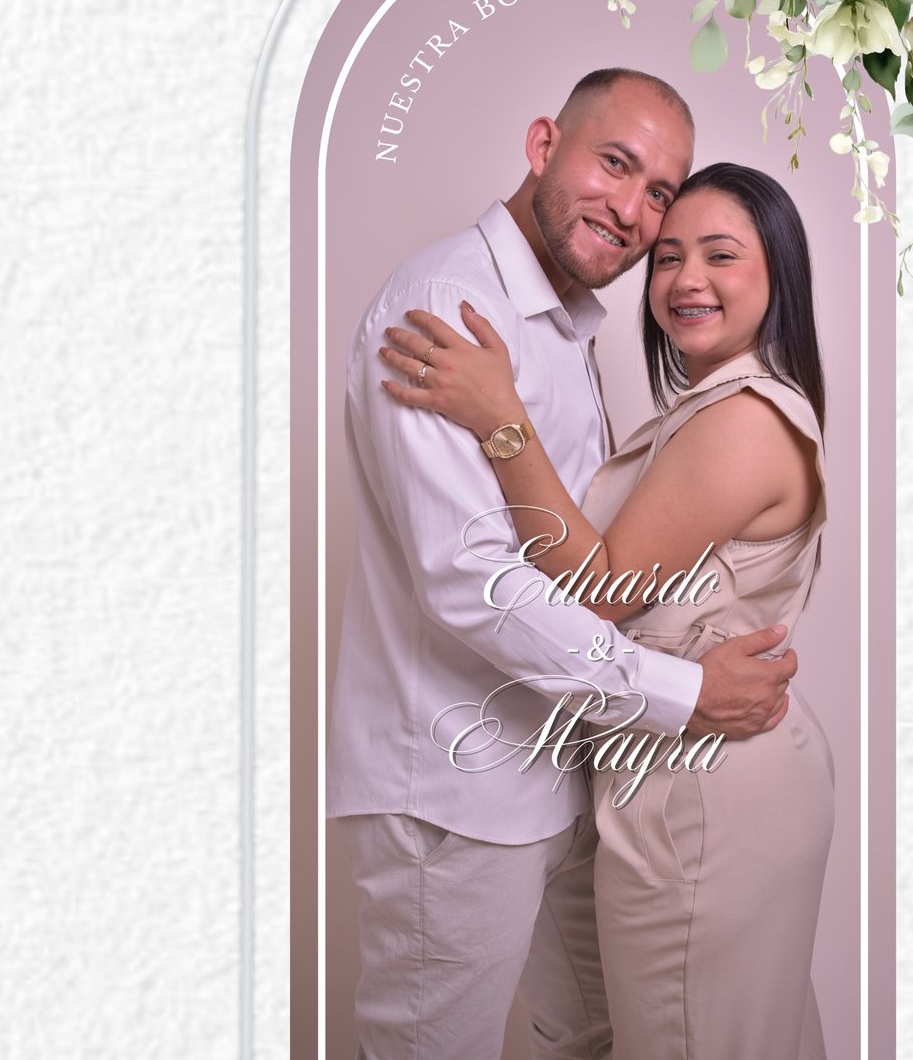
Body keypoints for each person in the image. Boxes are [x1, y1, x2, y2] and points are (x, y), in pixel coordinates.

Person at [327, 70, 800, 1060]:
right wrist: (679, 692)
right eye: (613, 163)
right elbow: (474, 582)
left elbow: (582, 563)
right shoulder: (451, 306)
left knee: (593, 1035)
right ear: (544, 144)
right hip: (456, 791)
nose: (631, 210)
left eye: (659, 192)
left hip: (571, 768)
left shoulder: (564, 323)